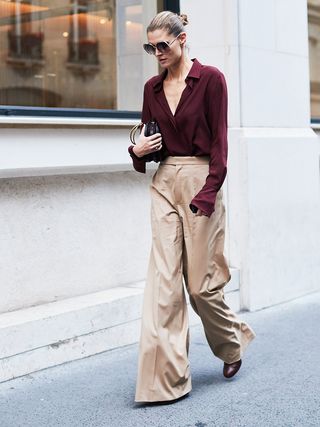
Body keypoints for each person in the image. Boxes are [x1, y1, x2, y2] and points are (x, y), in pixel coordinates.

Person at [128, 11, 256, 403]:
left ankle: (233, 342)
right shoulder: (152, 88)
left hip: (202, 182)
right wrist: (137, 152)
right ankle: (163, 382)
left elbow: (220, 145)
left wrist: (208, 194)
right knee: (164, 284)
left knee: (200, 287)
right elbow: (150, 143)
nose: (157, 54)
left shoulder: (212, 79)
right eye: (151, 47)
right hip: (165, 181)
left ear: (182, 40)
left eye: (162, 45)